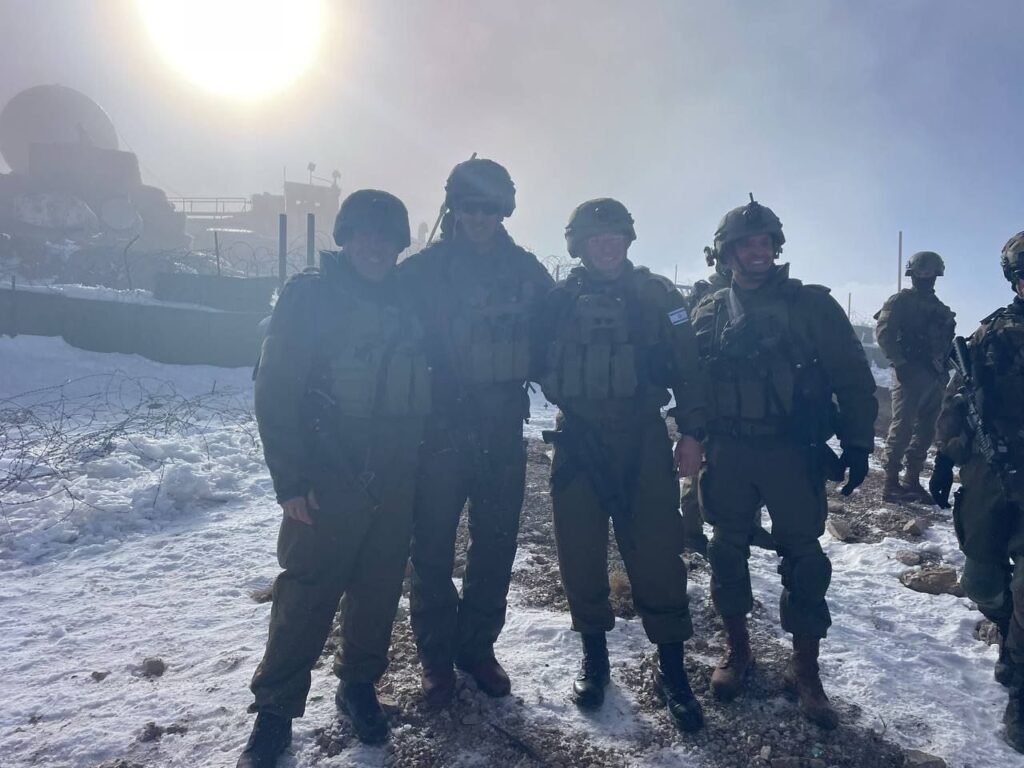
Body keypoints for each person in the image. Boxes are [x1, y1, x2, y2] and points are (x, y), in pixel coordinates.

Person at [237, 190, 429, 766]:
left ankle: (357, 685)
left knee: (377, 588)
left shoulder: (410, 300)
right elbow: (275, 391)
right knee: (307, 593)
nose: (376, 246)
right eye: (365, 234)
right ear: (344, 238)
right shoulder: (310, 297)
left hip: (394, 475)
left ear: (400, 245)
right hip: (327, 475)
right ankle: (274, 714)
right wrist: (291, 479)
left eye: (388, 237)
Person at [692, 196, 877, 729]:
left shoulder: (810, 305)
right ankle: (738, 651)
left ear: (776, 247)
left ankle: (806, 668)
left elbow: (852, 376)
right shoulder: (706, 310)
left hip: (791, 451)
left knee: (805, 558)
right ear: (726, 254)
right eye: (745, 244)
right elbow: (689, 381)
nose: (757, 252)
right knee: (726, 547)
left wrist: (859, 443)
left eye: (765, 242)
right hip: (728, 450)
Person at [536, 198, 707, 731]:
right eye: (595, 240)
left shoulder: (657, 295)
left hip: (642, 435)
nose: (606, 247)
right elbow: (535, 357)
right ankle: (594, 654)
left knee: (657, 549)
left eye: (615, 238)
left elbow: (688, 367)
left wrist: (693, 433)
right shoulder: (559, 300)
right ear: (579, 247)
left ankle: (672, 668)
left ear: (628, 241)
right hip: (579, 436)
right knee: (580, 549)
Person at [396, 158, 554, 707]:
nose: (480, 217)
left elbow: (559, 338)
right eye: (470, 206)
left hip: (501, 432)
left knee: (495, 546)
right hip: (438, 434)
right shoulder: (421, 272)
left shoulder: (528, 272)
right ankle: (437, 658)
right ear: (454, 208)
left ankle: (477, 648)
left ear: (504, 210)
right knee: (433, 550)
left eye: (490, 207)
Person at [930, 231, 1024, 753]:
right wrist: (945, 457)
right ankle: (1011, 633)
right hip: (989, 477)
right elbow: (958, 400)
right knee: (982, 583)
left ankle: (1020, 691)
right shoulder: (992, 334)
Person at [875, 250, 956, 503]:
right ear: (912, 274)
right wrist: (900, 363)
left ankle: (911, 480)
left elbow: (947, 345)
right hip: (909, 373)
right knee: (902, 427)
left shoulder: (942, 310)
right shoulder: (900, 301)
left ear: (937, 274)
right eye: (920, 272)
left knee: (927, 431)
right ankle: (890, 483)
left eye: (929, 272)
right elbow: (884, 334)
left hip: (935, 375)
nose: (925, 276)